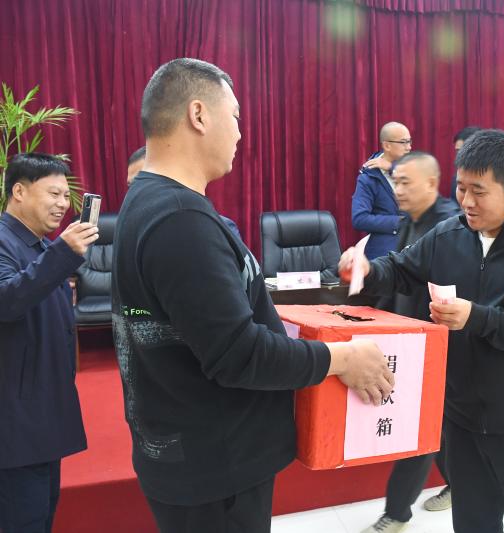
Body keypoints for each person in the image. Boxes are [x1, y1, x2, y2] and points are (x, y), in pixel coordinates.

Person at [112, 58, 394, 533]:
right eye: (236, 116)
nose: (241, 133)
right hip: (214, 470)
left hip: (194, 454)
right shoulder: (180, 219)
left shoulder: (149, 200)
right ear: (198, 115)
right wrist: (343, 358)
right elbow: (238, 356)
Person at [341, 129, 504, 533]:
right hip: (463, 421)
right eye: (461, 188)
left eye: (479, 191)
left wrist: (477, 318)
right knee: (473, 524)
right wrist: (367, 270)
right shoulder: (449, 234)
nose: (467, 201)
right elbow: (401, 269)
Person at [0, 153, 99, 532]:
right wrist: (63, 252)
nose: (62, 204)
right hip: (15, 420)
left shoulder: (39, 244)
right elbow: (7, 300)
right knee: (21, 517)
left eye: (65, 196)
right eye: (53, 194)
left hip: (40, 411)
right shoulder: (6, 241)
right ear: (19, 191)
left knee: (41, 512)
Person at [362, 152, 459, 533]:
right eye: (395, 182)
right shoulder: (409, 221)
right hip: (409, 341)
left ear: (432, 184)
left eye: (405, 182)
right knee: (437, 425)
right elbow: (397, 276)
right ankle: (458, 483)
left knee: (419, 427)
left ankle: (397, 512)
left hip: (437, 345)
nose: (398, 190)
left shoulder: (450, 226)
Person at [126, 145, 241, 238]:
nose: (136, 191)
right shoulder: (129, 232)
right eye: (131, 186)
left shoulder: (223, 230)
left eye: (145, 181)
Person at [351, 121, 411, 259]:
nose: (409, 147)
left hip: (416, 243)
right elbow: (359, 219)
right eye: (403, 142)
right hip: (386, 249)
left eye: (409, 141)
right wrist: (399, 222)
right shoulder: (368, 177)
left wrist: (392, 168)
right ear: (387, 145)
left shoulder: (413, 167)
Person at [449, 126, 481, 202]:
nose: (458, 156)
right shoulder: (457, 177)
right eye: (457, 151)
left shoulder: (493, 176)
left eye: (463, 151)